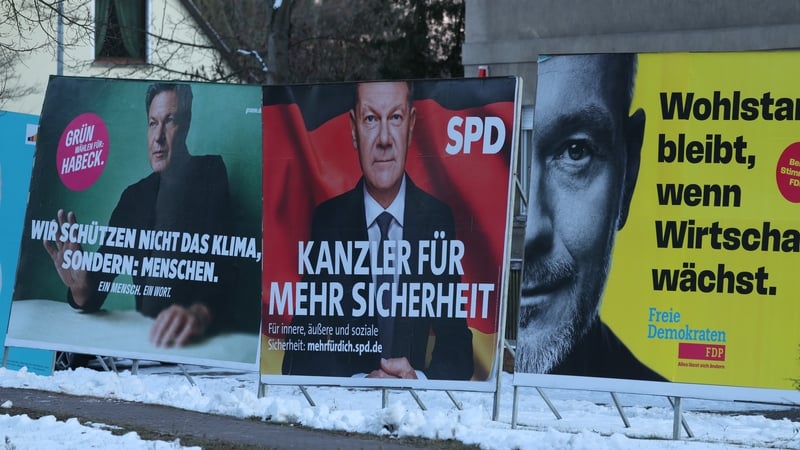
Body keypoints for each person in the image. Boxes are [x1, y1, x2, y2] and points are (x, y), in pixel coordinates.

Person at [281, 81, 474, 380]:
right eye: (371, 119)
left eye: (395, 117)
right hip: (349, 412)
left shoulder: (437, 218)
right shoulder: (328, 221)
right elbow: (301, 348)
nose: (384, 139)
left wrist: (418, 382)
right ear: (353, 129)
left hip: (416, 410)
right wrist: (358, 383)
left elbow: (458, 348)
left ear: (410, 126)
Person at [43, 83, 233, 348]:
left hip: (203, 347)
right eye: (153, 123)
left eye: (170, 121)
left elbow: (224, 264)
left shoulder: (211, 172)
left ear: (187, 123)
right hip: (147, 344)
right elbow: (95, 289)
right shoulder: (134, 197)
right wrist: (80, 285)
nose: (159, 137)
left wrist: (199, 312)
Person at [516, 54, 665, 381]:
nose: (532, 231)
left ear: (629, 174)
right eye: (510, 150)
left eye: (576, 151)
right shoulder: (421, 369)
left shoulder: (660, 405)